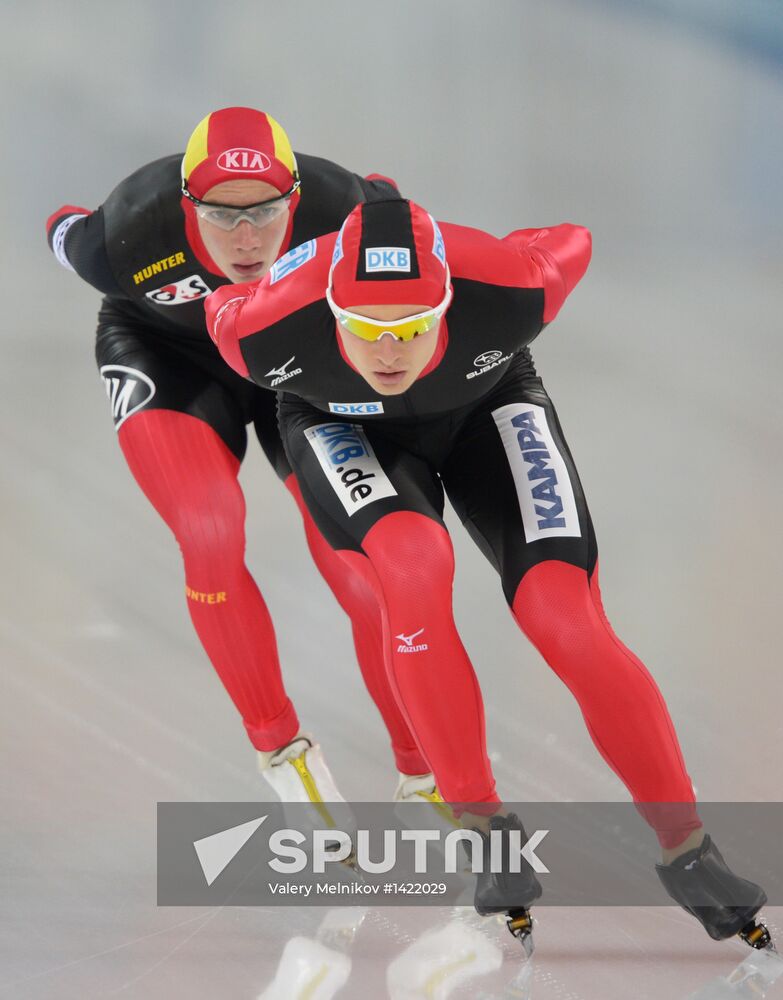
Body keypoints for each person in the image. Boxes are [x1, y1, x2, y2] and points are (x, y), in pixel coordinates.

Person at [205, 197, 770, 947]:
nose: (387, 351)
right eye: (364, 328)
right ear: (328, 309)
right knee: (410, 564)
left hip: (488, 408)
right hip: (337, 424)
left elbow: (573, 236)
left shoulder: (514, 288)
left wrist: (492, 251)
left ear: (448, 299)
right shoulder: (260, 329)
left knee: (564, 617)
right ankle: (481, 826)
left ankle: (690, 850)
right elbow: (218, 299)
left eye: (411, 325)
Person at [45, 107, 436, 810]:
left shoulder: (344, 207)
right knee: (209, 528)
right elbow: (62, 224)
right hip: (171, 358)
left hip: (291, 361)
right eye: (222, 217)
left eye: (264, 212)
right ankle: (283, 755)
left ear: (295, 198)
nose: (247, 238)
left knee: (362, 562)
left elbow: (391, 203)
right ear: (185, 205)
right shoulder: (123, 236)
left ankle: (424, 768)